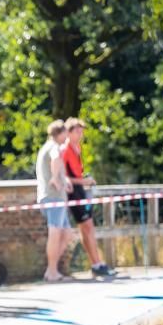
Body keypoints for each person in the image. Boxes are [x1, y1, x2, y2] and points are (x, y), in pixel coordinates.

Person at [60, 118, 114, 278]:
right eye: (77, 131)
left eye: (81, 131)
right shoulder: (65, 150)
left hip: (80, 191)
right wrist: (83, 181)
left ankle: (96, 263)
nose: (80, 134)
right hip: (73, 193)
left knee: (87, 228)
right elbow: (64, 177)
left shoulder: (77, 148)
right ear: (69, 132)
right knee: (87, 227)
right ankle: (97, 263)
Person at [36, 120, 76, 282]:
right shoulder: (54, 147)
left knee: (66, 234)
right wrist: (55, 178)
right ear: (61, 133)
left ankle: (51, 270)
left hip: (55, 197)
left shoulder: (47, 146)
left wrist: (63, 179)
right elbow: (55, 159)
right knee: (55, 233)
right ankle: (52, 272)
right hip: (53, 197)